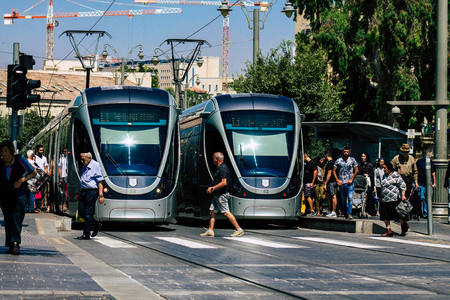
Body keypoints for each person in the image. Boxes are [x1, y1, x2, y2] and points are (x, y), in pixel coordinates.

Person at [0, 141, 37, 255]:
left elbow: (33, 172)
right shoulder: (1, 163)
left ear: (11, 151)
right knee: (8, 219)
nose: (3, 154)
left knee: (16, 218)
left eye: (6, 151)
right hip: (6, 196)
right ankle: (11, 245)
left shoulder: (20, 159)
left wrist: (22, 180)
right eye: (2, 151)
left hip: (20, 195)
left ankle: (16, 243)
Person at [201, 152, 244, 237]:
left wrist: (213, 188)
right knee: (212, 211)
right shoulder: (220, 168)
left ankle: (239, 229)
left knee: (226, 212)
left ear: (217, 158)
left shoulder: (222, 168)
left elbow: (224, 183)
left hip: (222, 194)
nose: (212, 159)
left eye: (213, 157)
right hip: (217, 194)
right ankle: (210, 230)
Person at [76, 152, 104, 240]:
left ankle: (86, 233)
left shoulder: (95, 165)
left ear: (89, 158)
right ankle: (95, 224)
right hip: (84, 191)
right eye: (81, 159)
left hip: (92, 191)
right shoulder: (85, 166)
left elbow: (100, 182)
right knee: (81, 212)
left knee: (88, 213)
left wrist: (101, 195)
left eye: (83, 159)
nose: (81, 161)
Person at [379, 161, 409, 236]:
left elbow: (403, 185)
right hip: (384, 199)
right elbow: (382, 187)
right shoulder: (384, 176)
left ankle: (404, 224)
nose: (383, 169)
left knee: (397, 215)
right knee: (384, 215)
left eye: (385, 168)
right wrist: (380, 196)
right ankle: (388, 230)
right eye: (383, 168)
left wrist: (403, 195)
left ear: (389, 168)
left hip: (394, 199)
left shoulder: (395, 175)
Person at [333, 146, 358, 219]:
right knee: (343, 198)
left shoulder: (352, 160)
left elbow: (356, 169)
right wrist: (337, 180)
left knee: (350, 197)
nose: (346, 153)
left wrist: (352, 179)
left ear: (349, 152)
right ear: (342, 152)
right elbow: (334, 170)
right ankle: (345, 212)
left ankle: (349, 213)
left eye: (347, 152)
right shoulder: (339, 160)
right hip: (341, 182)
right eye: (344, 152)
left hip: (349, 182)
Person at [416, 151, 436, 218]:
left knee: (428, 198)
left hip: (428, 183)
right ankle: (419, 212)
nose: (429, 157)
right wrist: (416, 182)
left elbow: (433, 173)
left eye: (430, 156)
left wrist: (434, 182)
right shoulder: (419, 162)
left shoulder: (431, 162)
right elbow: (415, 172)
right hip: (420, 183)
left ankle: (426, 213)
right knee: (421, 198)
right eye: (428, 155)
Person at [358, 152, 375, 217]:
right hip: (360, 184)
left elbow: (372, 174)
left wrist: (368, 175)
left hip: (368, 184)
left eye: (364, 156)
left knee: (368, 198)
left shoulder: (370, 165)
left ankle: (369, 211)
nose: (363, 158)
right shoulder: (359, 164)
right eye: (362, 156)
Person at [34, 144, 49, 212]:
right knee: (35, 191)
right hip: (36, 177)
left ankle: (42, 205)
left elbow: (45, 167)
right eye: (40, 150)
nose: (41, 151)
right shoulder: (34, 158)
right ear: (37, 150)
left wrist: (45, 175)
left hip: (42, 178)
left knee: (42, 192)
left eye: (42, 150)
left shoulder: (44, 158)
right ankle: (35, 205)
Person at [324, 150, 338, 218]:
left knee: (333, 196)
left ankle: (333, 211)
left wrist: (325, 183)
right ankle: (330, 210)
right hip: (331, 181)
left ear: (326, 155)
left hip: (331, 181)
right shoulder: (334, 162)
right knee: (329, 196)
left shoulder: (330, 163)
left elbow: (329, 174)